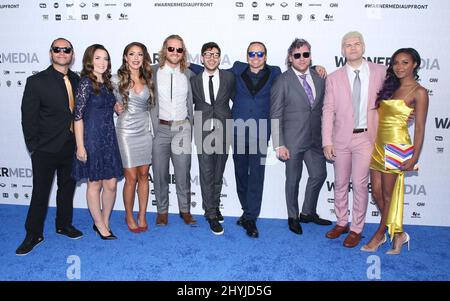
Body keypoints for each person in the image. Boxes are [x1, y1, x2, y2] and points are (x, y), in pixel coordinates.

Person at [18, 37, 83, 255]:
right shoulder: (36, 81)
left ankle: (63, 225)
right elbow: (28, 117)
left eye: (66, 50)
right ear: (51, 53)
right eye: (57, 49)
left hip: (71, 147)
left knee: (67, 190)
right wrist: (34, 146)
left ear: (72, 55)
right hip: (45, 149)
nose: (62, 53)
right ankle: (33, 233)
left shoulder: (78, 80)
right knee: (40, 193)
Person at [361, 48, 428, 254]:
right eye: (396, 63)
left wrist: (414, 156)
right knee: (378, 194)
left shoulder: (419, 92)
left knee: (390, 196)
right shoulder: (390, 87)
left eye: (405, 62)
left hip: (398, 147)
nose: (399, 67)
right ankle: (399, 234)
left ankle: (380, 235)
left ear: (414, 64)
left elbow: (419, 127)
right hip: (380, 145)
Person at [322, 31, 386, 248]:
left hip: (367, 139)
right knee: (340, 183)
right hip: (340, 139)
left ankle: (357, 228)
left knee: (359, 185)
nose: (352, 48)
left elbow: (394, 101)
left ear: (363, 46)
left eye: (356, 44)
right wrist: (326, 141)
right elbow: (328, 110)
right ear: (342, 50)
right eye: (347, 45)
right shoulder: (333, 77)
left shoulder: (381, 72)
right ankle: (341, 222)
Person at [270, 38, 331, 235]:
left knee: (319, 175)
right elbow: (275, 114)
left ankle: (308, 212)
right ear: (290, 58)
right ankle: (293, 216)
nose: (302, 58)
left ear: (310, 56)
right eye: (297, 55)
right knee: (293, 180)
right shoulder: (282, 81)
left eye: (306, 54)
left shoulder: (320, 77)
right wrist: (279, 144)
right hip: (293, 141)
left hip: (315, 139)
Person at [72, 44, 123, 240]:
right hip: (91, 139)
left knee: (110, 184)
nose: (102, 62)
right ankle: (99, 225)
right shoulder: (86, 83)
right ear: (89, 61)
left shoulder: (109, 83)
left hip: (109, 138)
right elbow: (78, 116)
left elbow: (109, 107)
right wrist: (80, 146)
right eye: (98, 58)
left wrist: (117, 107)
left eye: (105, 58)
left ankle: (105, 221)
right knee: (95, 185)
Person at [150, 34, 197, 226]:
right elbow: (127, 83)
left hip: (182, 128)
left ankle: (185, 210)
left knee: (183, 172)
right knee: (159, 172)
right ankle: (162, 211)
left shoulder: (190, 74)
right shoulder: (151, 72)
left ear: (183, 53)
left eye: (179, 49)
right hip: (160, 128)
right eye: (171, 49)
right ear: (164, 50)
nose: (175, 52)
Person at [190, 42, 235, 235]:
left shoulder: (229, 77)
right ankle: (210, 214)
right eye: (208, 54)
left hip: (224, 129)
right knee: (206, 172)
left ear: (220, 58)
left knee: (218, 172)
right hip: (203, 130)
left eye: (216, 54)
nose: (212, 58)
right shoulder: (193, 79)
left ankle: (214, 205)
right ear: (201, 58)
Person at [112, 42, 155, 233]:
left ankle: (142, 214)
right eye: (132, 54)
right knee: (131, 177)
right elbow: (103, 101)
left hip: (145, 130)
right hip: (126, 131)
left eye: (140, 54)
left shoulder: (149, 78)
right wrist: (114, 106)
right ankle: (129, 215)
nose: (136, 58)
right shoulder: (115, 80)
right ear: (125, 57)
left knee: (144, 175)